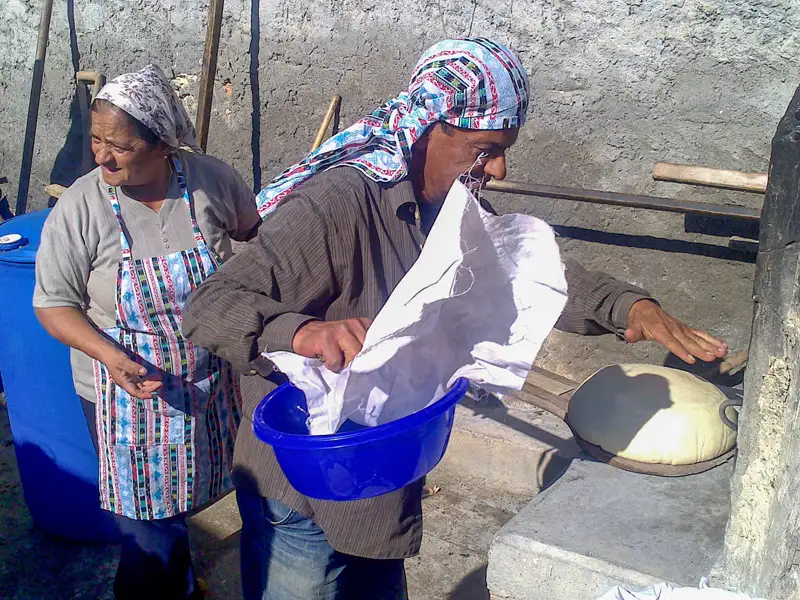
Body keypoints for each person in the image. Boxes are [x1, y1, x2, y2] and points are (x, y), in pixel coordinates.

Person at [182, 38, 728, 600]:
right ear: (429, 130)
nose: (500, 168)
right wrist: (302, 331)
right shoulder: (338, 204)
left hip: (383, 474)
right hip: (305, 487)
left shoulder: (451, 207)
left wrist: (627, 305)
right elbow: (208, 305)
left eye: (504, 150)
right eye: (484, 149)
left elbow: (522, 272)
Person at [33, 64, 260, 600]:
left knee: (201, 494)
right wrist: (111, 357)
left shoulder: (210, 181)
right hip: (124, 390)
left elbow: (255, 237)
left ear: (162, 144)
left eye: (120, 145)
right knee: (147, 534)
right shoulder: (82, 206)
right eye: (96, 140)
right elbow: (54, 305)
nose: (102, 156)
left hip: (209, 378)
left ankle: (185, 584)